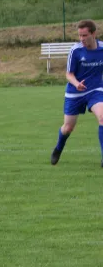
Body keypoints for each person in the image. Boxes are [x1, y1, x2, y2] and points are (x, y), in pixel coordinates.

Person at [51, 20, 103, 166]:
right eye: (79, 36)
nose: (81, 39)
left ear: (94, 34)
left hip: (96, 90)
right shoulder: (76, 50)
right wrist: (76, 84)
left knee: (102, 117)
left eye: (84, 35)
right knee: (68, 128)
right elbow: (69, 74)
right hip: (75, 92)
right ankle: (58, 148)